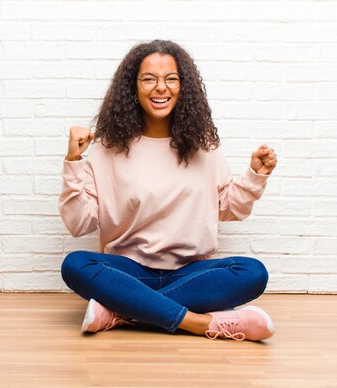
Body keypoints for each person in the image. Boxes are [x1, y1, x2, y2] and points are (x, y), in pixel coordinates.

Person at [58, 40, 278, 342]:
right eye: (149, 79)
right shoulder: (108, 150)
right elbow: (79, 223)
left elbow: (229, 209)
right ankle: (200, 324)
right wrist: (73, 162)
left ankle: (123, 311)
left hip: (190, 273)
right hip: (127, 270)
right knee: (76, 265)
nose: (161, 87)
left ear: (183, 86)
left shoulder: (204, 148)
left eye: (171, 79)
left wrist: (255, 176)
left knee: (252, 272)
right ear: (132, 87)